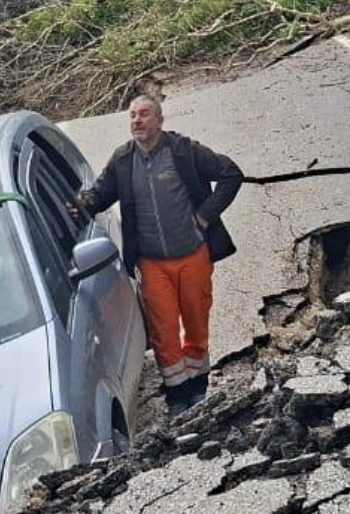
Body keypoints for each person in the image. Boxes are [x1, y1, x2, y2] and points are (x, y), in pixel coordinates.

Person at [74, 94, 244, 417]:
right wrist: (77, 205)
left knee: (196, 323)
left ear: (159, 121)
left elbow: (230, 174)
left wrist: (205, 216)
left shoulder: (183, 151)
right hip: (152, 264)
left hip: (193, 255)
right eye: (132, 116)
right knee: (164, 331)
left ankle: (199, 390)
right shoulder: (123, 161)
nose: (137, 120)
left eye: (144, 114)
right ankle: (177, 398)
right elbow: (98, 196)